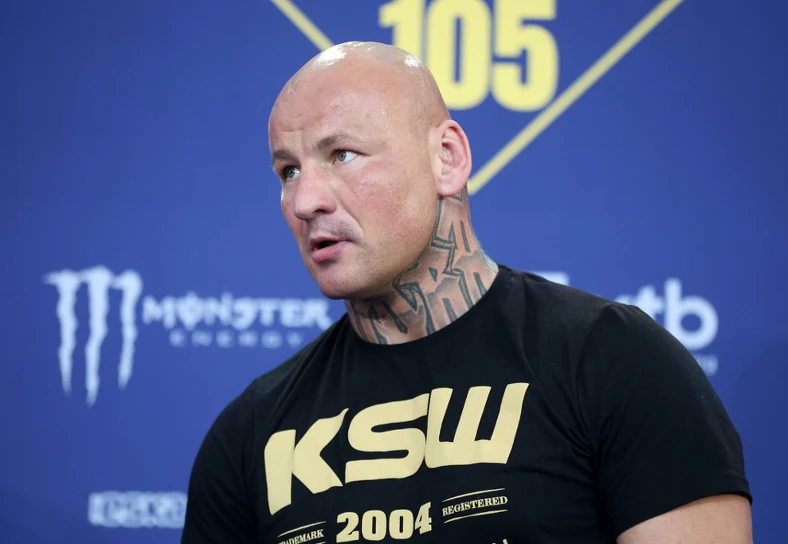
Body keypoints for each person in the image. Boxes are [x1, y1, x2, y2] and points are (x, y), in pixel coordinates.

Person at [181, 41, 753, 543]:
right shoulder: (249, 434)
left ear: (446, 159)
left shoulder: (612, 360)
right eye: (288, 171)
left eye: (342, 155)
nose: (306, 201)